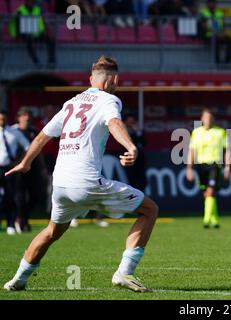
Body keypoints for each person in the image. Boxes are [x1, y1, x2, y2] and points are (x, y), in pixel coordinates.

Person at [3, 56, 159, 292]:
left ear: (90, 79)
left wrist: (25, 163)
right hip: (85, 181)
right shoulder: (109, 100)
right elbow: (114, 122)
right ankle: (124, 273)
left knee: (51, 231)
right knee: (150, 209)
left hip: (61, 184)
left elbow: (42, 137)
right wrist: (131, 146)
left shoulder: (71, 103)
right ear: (114, 80)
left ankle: (18, 279)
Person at [186, 108, 230, 229]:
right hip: (201, 166)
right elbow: (192, 150)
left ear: (213, 119)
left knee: (211, 191)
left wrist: (227, 167)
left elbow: (227, 151)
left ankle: (206, 219)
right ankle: (214, 219)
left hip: (215, 165)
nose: (208, 120)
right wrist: (189, 168)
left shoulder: (220, 132)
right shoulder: (196, 132)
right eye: (206, 118)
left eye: (210, 118)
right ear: (202, 119)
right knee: (207, 193)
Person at [12, 107, 48, 233]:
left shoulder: (33, 131)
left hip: (33, 168)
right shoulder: (12, 131)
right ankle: (19, 220)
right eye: (24, 115)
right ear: (19, 117)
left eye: (28, 115)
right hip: (18, 168)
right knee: (19, 196)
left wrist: (43, 167)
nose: (26, 117)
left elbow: (39, 151)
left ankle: (24, 217)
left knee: (36, 194)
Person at [0, 111, 30, 235]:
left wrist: (18, 161)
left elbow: (28, 147)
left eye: (3, 119)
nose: (1, 121)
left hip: (8, 168)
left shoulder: (14, 132)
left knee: (11, 197)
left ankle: (11, 224)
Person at [8, 0, 56, 69]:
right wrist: (24, 33)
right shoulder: (20, 10)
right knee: (29, 38)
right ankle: (36, 61)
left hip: (36, 32)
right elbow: (17, 26)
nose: (31, 3)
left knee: (51, 38)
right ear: (26, 2)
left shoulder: (38, 9)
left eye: (33, 1)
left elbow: (42, 22)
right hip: (24, 34)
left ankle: (51, 62)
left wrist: (47, 31)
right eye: (30, 1)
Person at [199, 0, 231, 67]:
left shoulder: (220, 13)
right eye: (210, 2)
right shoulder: (203, 13)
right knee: (215, 42)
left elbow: (223, 26)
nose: (212, 4)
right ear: (207, 4)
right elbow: (204, 26)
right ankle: (217, 63)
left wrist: (222, 33)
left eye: (213, 2)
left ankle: (227, 63)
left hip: (219, 34)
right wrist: (216, 30)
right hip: (208, 35)